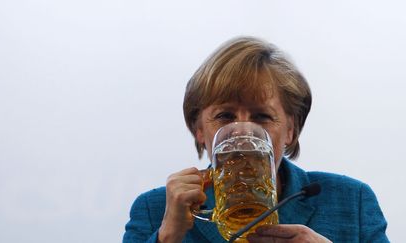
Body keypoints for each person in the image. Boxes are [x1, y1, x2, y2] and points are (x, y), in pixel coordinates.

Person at [123, 36, 389, 242]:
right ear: (199, 130)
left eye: (261, 116)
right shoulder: (155, 210)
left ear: (290, 130)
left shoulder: (352, 201)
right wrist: (167, 236)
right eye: (225, 116)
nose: (242, 131)